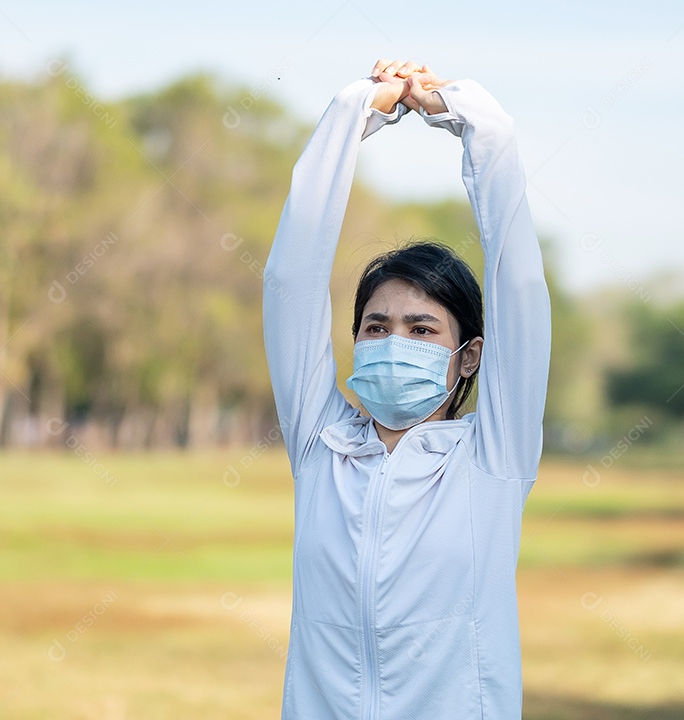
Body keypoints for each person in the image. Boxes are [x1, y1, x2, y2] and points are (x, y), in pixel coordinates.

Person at [263, 58, 551, 719]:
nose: (396, 342)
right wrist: (352, 113)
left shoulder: (493, 454)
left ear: (470, 355)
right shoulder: (321, 447)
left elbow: (522, 288)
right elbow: (289, 283)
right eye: (377, 326)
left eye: (423, 329)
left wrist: (471, 121)